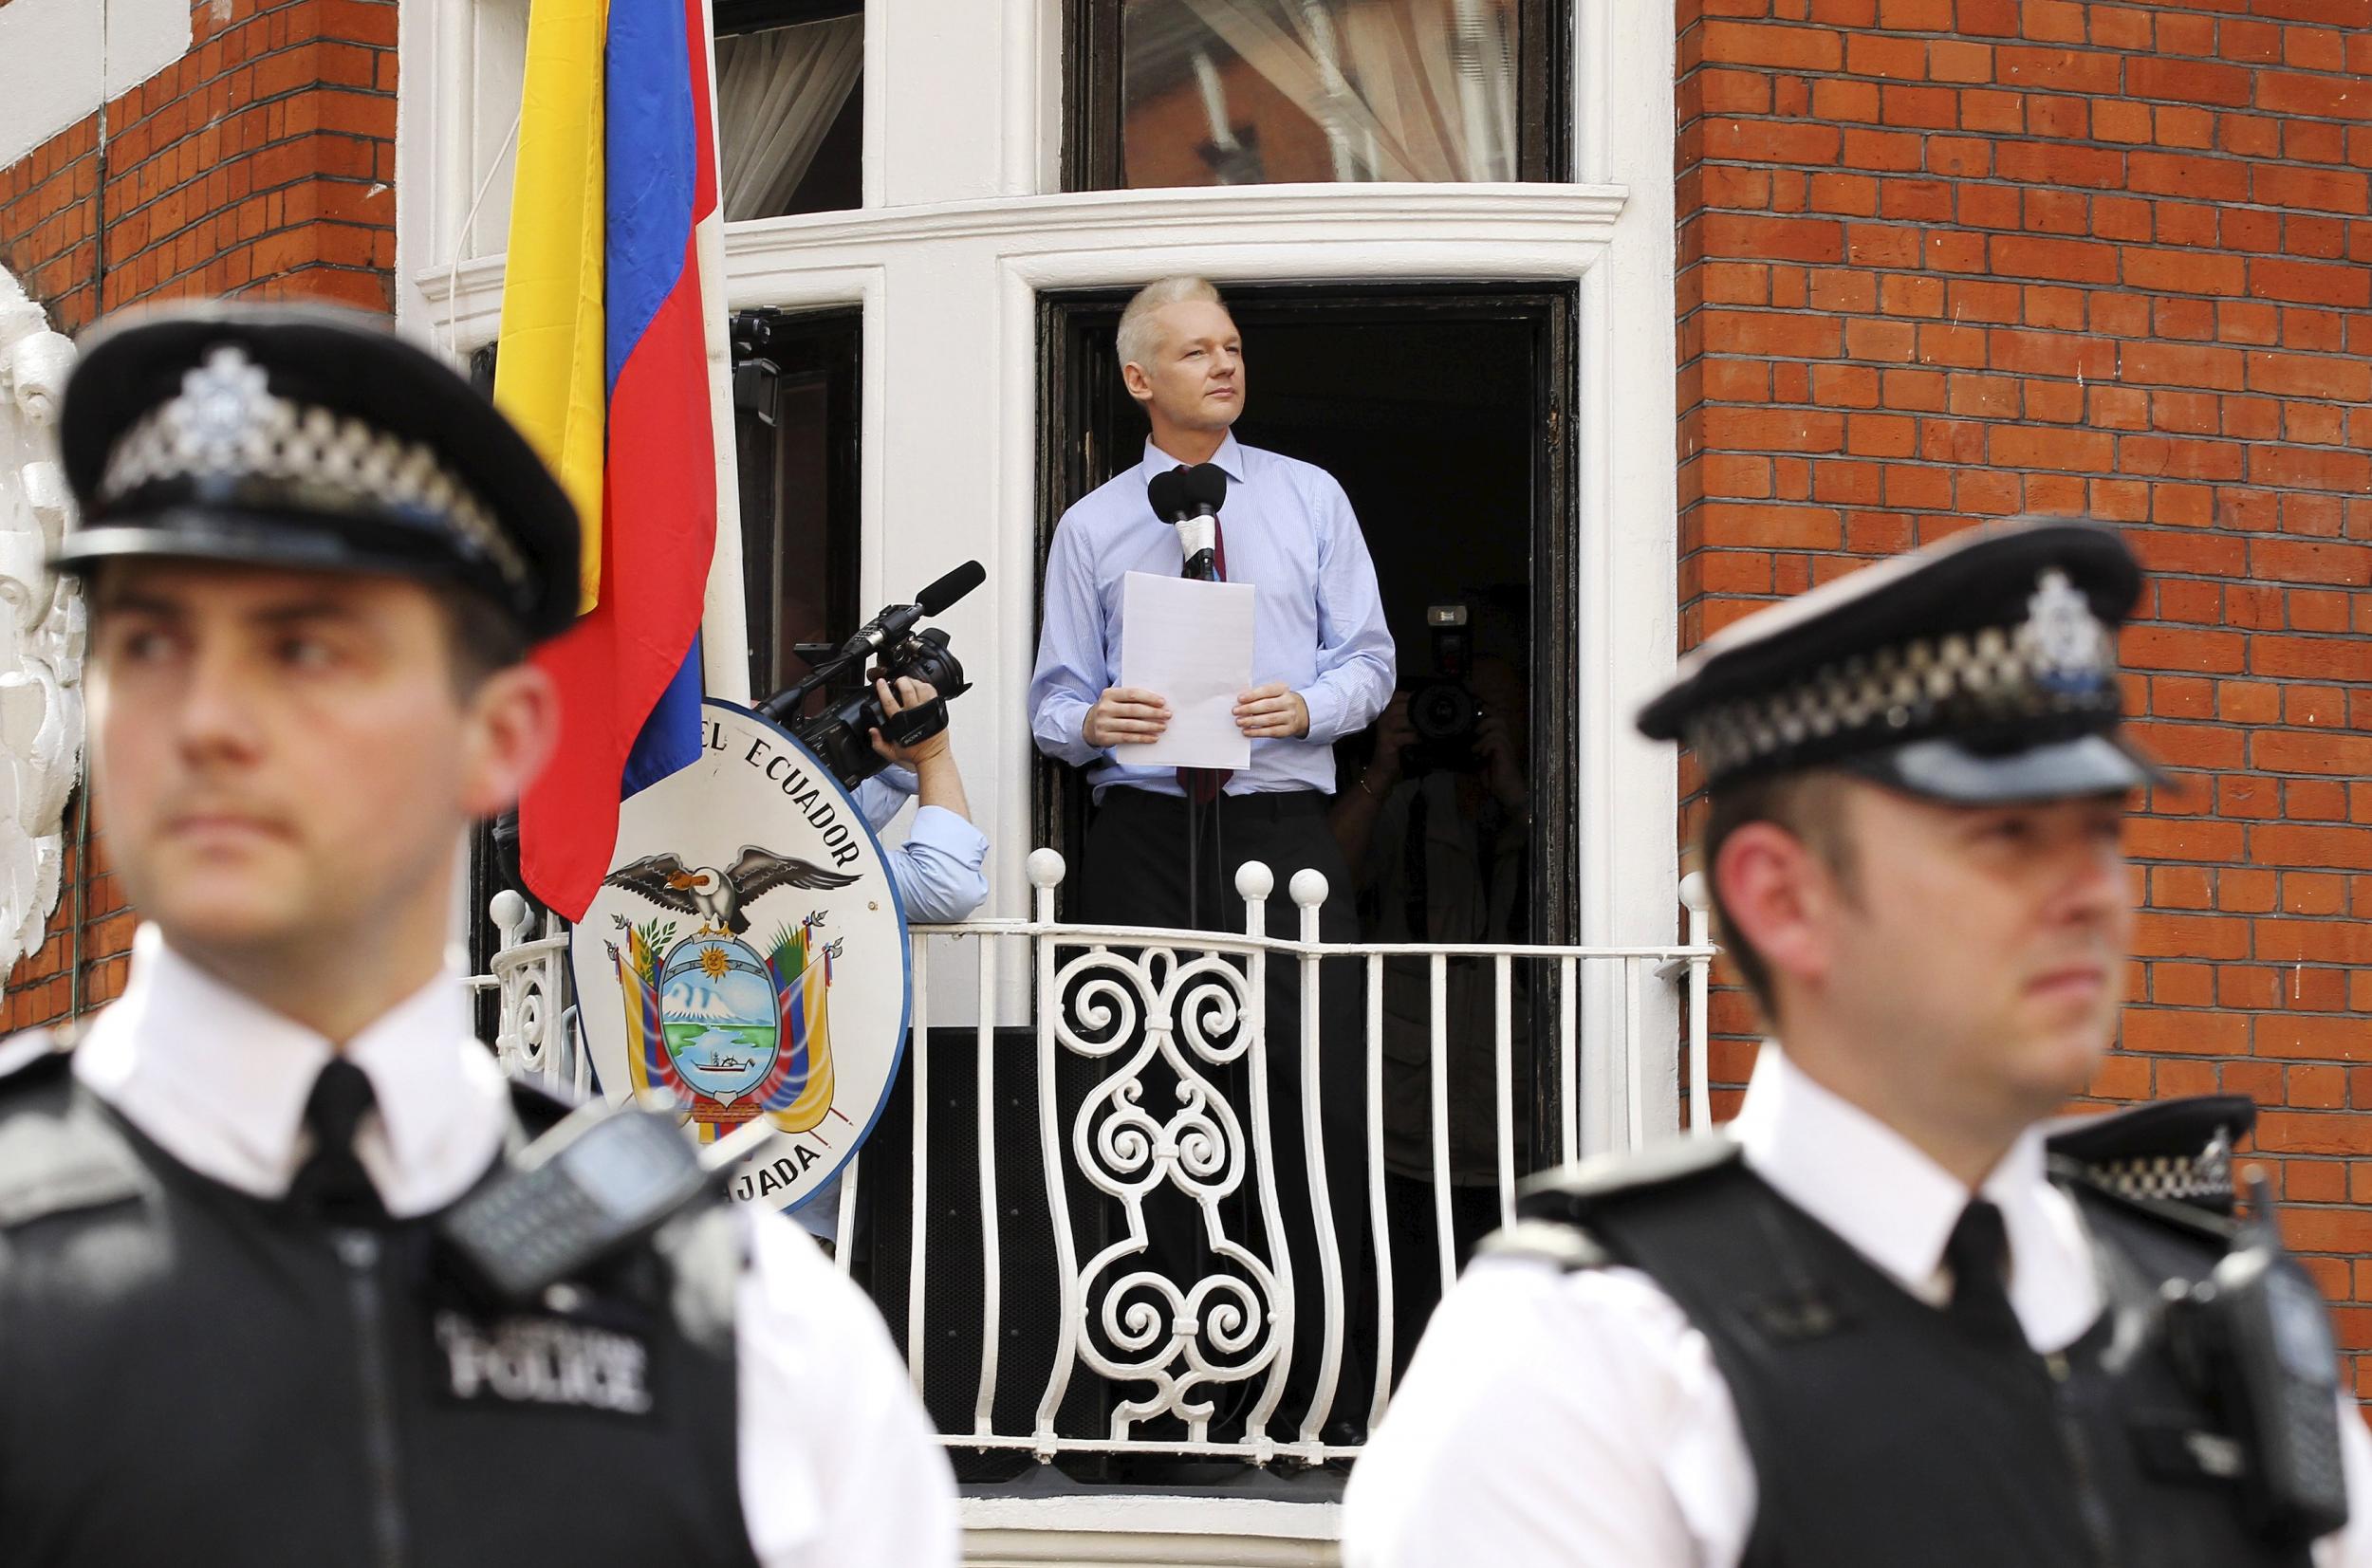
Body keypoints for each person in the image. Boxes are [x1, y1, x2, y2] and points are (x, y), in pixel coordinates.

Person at [0, 301, 958, 1565]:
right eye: (149, 640)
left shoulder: (750, 1332)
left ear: (501, 734)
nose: (208, 719)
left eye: (304, 648)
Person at [1345, 518, 2372, 1566]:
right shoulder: (1590, 1364)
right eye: (2005, 837)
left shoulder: (2220, 1333)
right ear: (1782, 897)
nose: (2091, 896)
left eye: (2102, 834)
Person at [1028, 274, 1394, 1442]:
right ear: (1140, 378)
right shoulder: (1091, 526)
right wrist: (1097, 724)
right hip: (1138, 833)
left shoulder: (1311, 499)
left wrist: (1308, 706)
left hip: (1280, 831)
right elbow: (1050, 702)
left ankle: (1320, 1395)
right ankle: (1158, 1398)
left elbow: (1374, 664)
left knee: (1308, 1094)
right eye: (1195, 353)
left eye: (1231, 348)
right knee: (1144, 1100)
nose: (1224, 367)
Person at [1330, 652, 1533, 1376]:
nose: (1452, 721)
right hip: (1400, 1113)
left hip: (1505, 1110)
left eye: (1475, 709)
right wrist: (1380, 772)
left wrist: (1518, 796)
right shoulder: (1402, 800)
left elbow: (1560, 893)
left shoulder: (1541, 804)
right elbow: (1321, 889)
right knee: (1396, 1289)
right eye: (1440, 705)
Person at [796, 673, 988, 1249]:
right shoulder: (791, 855)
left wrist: (884, 754)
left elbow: (833, 818)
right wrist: (931, 754)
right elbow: (948, 884)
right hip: (787, 1204)